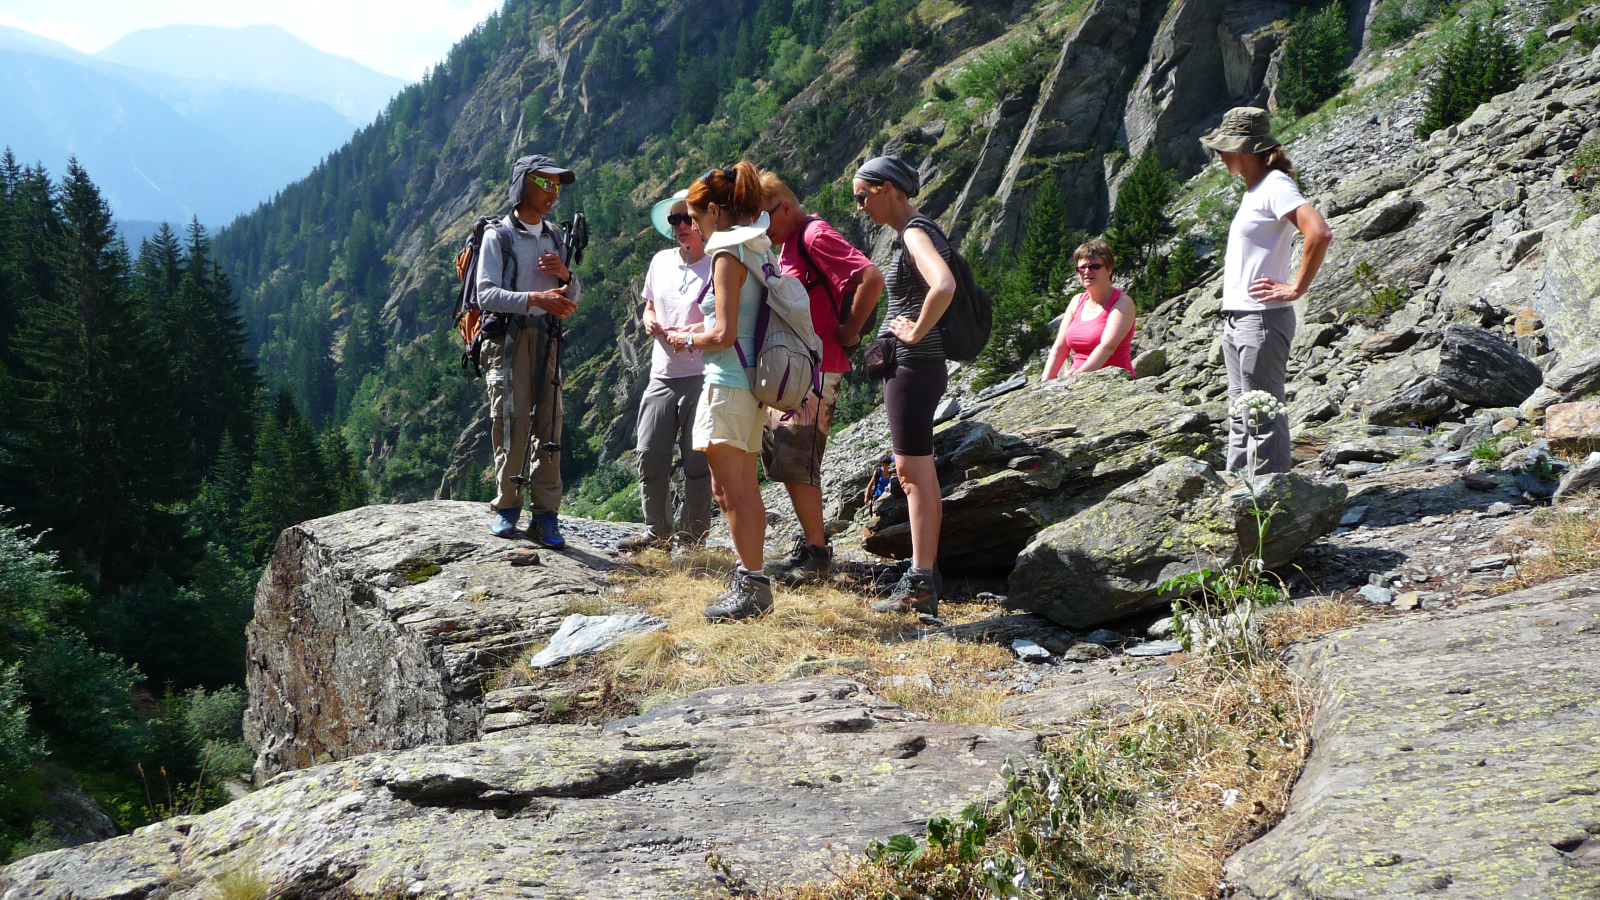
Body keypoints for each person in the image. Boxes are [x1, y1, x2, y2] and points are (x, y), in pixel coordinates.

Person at [756, 170, 884, 585]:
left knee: (798, 457)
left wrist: (850, 331)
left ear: (785, 208)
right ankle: (812, 544)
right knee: (786, 457)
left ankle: (817, 555)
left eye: (764, 220)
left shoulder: (813, 236)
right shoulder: (792, 240)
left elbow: (870, 277)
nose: (762, 231)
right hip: (801, 368)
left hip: (818, 367)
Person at [663, 162, 775, 621]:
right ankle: (751, 578)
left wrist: (687, 339)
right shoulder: (756, 244)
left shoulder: (727, 254)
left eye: (695, 217)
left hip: (727, 383)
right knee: (740, 488)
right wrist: (701, 327)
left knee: (735, 491)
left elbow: (725, 333)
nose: (692, 227)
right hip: (748, 385)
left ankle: (751, 587)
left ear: (714, 210)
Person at [1200, 107, 1331, 475]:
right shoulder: (1257, 188)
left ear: (1246, 150)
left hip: (1260, 319)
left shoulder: (1275, 186)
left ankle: (1273, 505)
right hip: (1241, 319)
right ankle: (1241, 495)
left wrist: (1295, 288)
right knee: (1243, 411)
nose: (1220, 156)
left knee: (1260, 414)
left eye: (1224, 149)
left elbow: (1318, 232)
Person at [852, 156, 955, 616]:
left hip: (914, 365)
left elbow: (944, 285)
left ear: (887, 188)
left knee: (913, 475)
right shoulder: (914, 231)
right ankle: (924, 574)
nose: (859, 207)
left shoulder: (914, 232)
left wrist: (913, 331)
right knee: (917, 472)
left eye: (862, 196)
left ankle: (920, 580)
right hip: (917, 367)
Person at [477, 154, 580, 545]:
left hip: (548, 337)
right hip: (509, 340)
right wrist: (536, 298)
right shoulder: (498, 236)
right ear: (525, 185)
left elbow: (574, 296)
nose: (555, 193)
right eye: (547, 185)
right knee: (511, 422)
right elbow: (485, 294)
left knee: (550, 424)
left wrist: (566, 278)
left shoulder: (555, 237)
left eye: (558, 186)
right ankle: (507, 508)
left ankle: (546, 516)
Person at [616, 190, 715, 553]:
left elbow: (725, 324)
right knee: (650, 453)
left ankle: (692, 540)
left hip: (702, 375)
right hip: (662, 373)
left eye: (688, 218)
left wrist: (685, 335)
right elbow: (650, 305)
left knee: (697, 461)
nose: (682, 226)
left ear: (704, 222)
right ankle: (656, 532)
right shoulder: (660, 261)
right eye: (675, 220)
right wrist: (651, 322)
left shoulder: (718, 264)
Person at [1042, 238, 1136, 380]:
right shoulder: (1077, 301)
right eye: (1081, 267)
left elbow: (1107, 347)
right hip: (1077, 381)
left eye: (1094, 267)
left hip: (1114, 382)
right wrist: (1045, 383)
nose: (1086, 272)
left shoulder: (1122, 303)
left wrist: (1079, 376)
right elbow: (1060, 347)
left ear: (1109, 269)